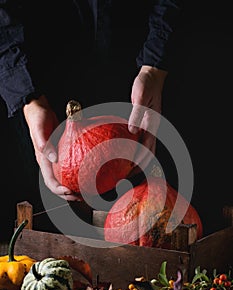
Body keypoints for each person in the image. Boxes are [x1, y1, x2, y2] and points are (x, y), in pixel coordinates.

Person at [0, 1, 182, 236]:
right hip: (39, 67)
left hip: (142, 58)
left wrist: (154, 67)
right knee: (48, 231)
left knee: (160, 226)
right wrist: (28, 99)